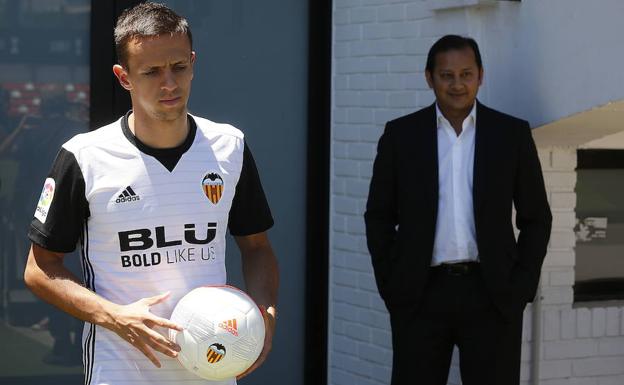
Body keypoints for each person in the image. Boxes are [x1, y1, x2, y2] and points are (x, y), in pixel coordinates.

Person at [23, 3, 278, 385]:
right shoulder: (84, 156)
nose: (169, 84)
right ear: (123, 77)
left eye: (178, 67)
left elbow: (257, 248)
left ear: (193, 63)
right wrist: (113, 316)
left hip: (214, 371)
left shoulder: (230, 147)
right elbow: (39, 269)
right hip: (121, 372)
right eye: (152, 72)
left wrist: (263, 316)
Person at [364, 35, 552, 385]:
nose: (457, 84)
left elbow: (536, 218)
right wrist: (393, 283)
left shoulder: (510, 135)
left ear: (481, 75)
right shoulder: (401, 136)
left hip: (492, 293)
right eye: (446, 75)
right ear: (429, 77)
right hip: (420, 294)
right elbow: (378, 215)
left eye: (466, 74)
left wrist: (520, 287)